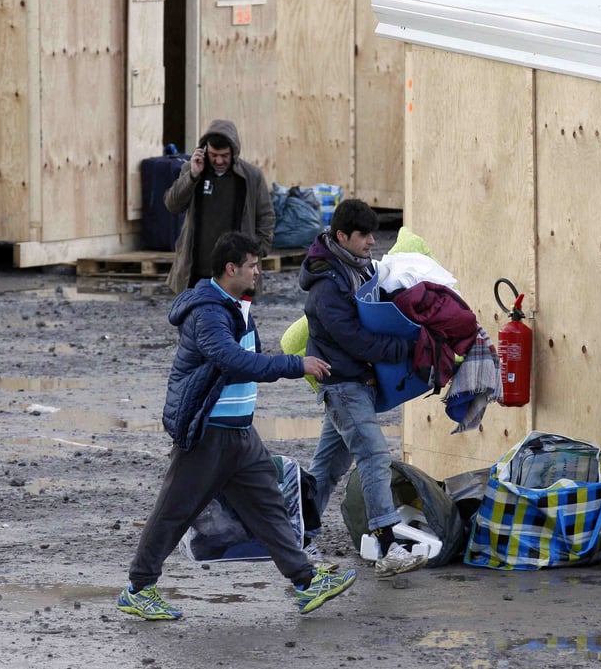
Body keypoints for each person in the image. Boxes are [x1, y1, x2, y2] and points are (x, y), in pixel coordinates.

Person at [117, 231, 357, 620]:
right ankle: (138, 589)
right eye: (252, 265)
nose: (259, 272)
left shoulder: (236, 305)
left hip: (240, 435)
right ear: (231, 269)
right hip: (209, 434)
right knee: (173, 512)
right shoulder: (208, 312)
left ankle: (306, 582)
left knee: (269, 507)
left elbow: (248, 356)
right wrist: (295, 365)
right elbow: (233, 361)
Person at [299, 199, 427, 577]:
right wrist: (409, 348)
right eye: (364, 235)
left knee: (326, 470)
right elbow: (357, 340)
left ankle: (297, 540)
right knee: (374, 455)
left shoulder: (354, 269)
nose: (373, 241)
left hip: (353, 382)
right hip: (342, 384)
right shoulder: (327, 286)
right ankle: (388, 546)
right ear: (342, 236)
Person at [163, 119, 275, 294]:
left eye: (224, 155)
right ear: (205, 150)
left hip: (236, 272)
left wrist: (258, 250)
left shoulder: (250, 176)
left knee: (236, 320)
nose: (219, 160)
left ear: (234, 152)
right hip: (197, 270)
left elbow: (266, 216)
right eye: (214, 155)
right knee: (196, 319)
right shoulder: (193, 170)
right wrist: (192, 176)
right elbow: (172, 204)